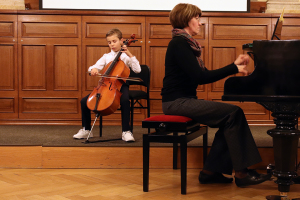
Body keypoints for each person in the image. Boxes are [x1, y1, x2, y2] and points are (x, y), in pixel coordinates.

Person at [161, 3, 270, 187]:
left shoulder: (186, 44)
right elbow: (201, 77)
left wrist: (233, 66)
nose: (200, 23)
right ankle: (242, 174)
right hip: (176, 102)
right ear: (186, 19)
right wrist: (234, 67)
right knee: (233, 113)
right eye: (197, 18)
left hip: (183, 100)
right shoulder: (179, 43)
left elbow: (200, 75)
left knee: (229, 120)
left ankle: (209, 172)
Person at [73, 28, 141, 142]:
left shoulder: (125, 57)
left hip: (121, 85)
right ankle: (86, 129)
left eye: (114, 41)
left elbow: (138, 70)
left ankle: (126, 131)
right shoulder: (106, 56)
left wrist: (129, 54)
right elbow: (93, 67)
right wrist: (93, 69)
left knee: (124, 101)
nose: (112, 44)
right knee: (84, 101)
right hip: (105, 85)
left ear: (121, 40)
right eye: (109, 42)